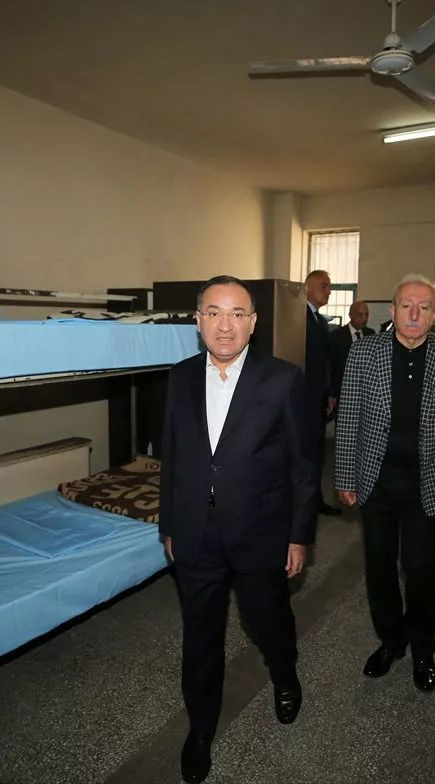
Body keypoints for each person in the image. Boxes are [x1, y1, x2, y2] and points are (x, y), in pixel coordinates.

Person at [159, 275, 316, 784]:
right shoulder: (180, 377)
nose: (224, 325)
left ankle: (284, 674)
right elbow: (172, 457)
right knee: (200, 637)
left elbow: (303, 467)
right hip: (195, 533)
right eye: (213, 313)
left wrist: (299, 535)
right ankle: (200, 729)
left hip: (261, 532)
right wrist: (169, 524)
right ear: (197, 320)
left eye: (236, 314)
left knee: (268, 620)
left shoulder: (283, 379)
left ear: (253, 322)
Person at [334, 274, 435, 693]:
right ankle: (391, 641)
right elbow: (349, 418)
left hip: (426, 482)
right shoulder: (363, 353)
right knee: (378, 566)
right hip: (375, 479)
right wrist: (344, 475)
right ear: (392, 311)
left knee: (419, 567)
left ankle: (423, 648)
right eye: (406, 306)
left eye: (423, 307)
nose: (414, 314)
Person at [303, 269, 341, 515]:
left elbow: (325, 362)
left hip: (318, 398)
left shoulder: (319, 320)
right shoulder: (298, 317)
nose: (329, 291)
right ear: (308, 288)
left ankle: (315, 500)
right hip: (303, 400)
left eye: (330, 287)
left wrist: (329, 393)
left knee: (317, 453)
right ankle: (305, 502)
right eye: (324, 286)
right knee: (305, 454)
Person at [327, 299, 375, 404]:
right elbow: (331, 367)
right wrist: (332, 393)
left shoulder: (371, 334)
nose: (364, 319)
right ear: (350, 315)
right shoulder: (336, 336)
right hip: (343, 391)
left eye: (366, 315)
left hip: (366, 392)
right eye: (360, 315)